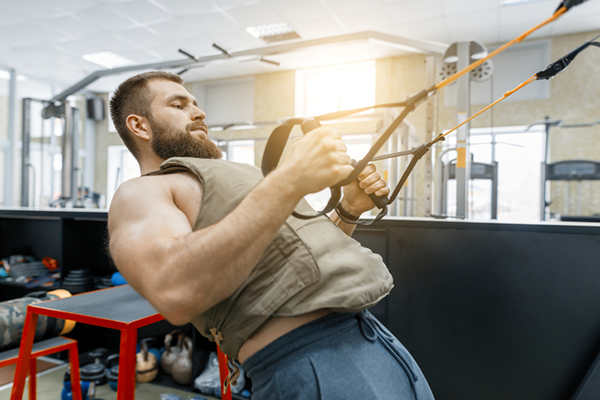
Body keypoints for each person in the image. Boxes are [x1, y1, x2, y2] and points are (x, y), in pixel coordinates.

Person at [108, 71, 434, 399]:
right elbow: (172, 289)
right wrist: (288, 180)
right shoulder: (141, 192)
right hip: (307, 360)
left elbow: (297, 263)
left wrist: (348, 209)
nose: (199, 112)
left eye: (195, 103)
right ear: (140, 126)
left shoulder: (245, 177)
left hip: (377, 342)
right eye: (178, 105)